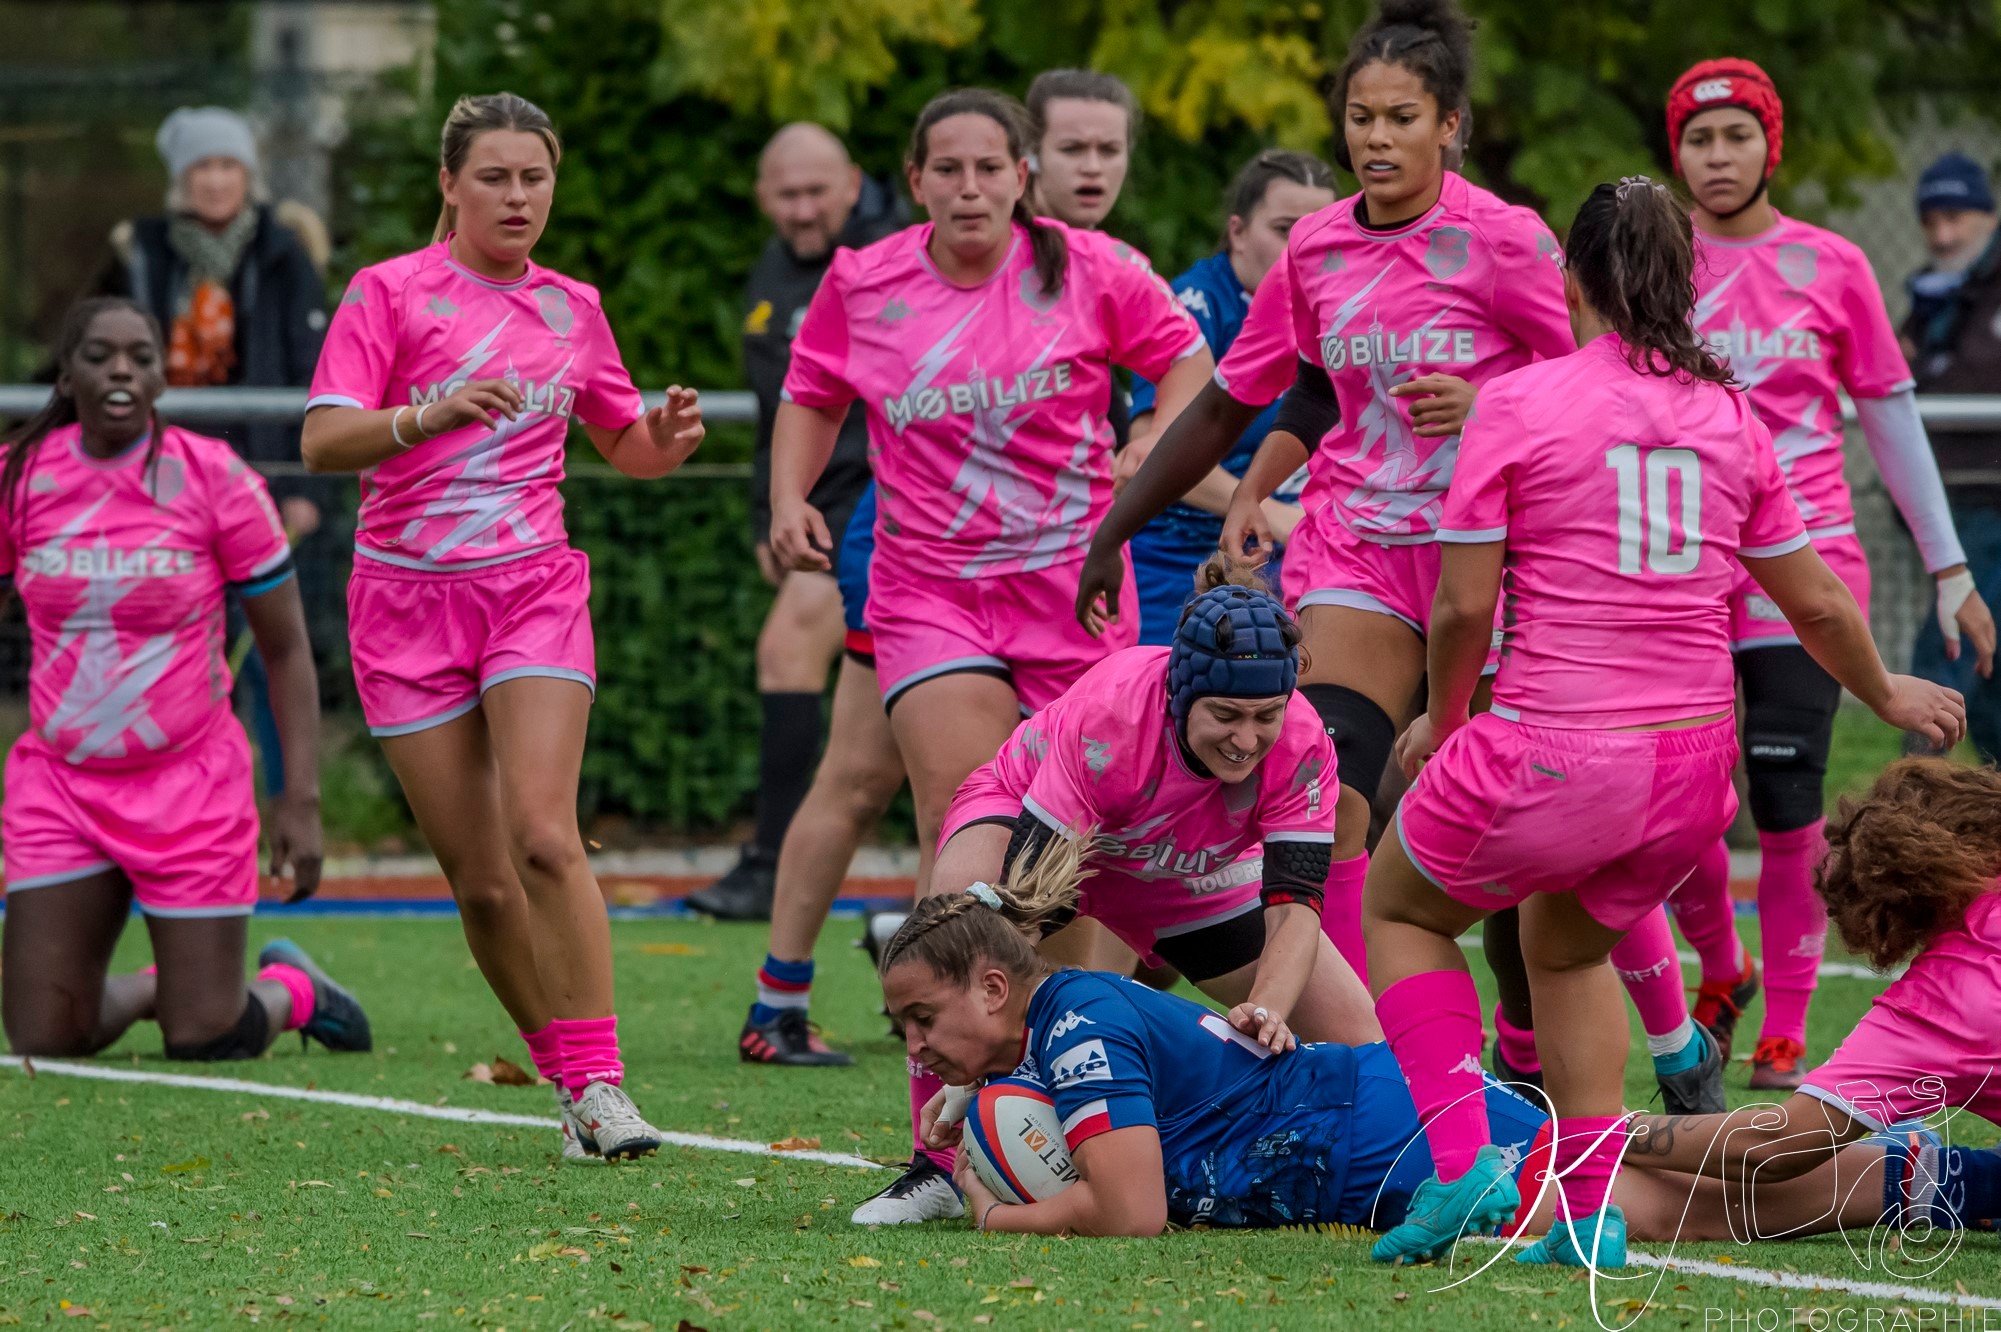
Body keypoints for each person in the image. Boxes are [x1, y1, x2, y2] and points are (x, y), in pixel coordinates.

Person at [1360, 177, 1965, 1270]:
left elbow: (1460, 606)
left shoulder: (1522, 400)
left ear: (1573, 279)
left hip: (1553, 743)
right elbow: (1818, 597)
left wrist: (1447, 725)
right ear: (1690, 282)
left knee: (1393, 908)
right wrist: (1888, 695)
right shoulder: (1731, 413)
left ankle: (1461, 1171)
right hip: (1691, 771)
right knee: (1564, 943)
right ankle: (1588, 1215)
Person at [766, 86, 1213, 1220]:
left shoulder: (1095, 269)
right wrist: (788, 496)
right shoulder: (866, 282)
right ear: (914, 182)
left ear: (1023, 176)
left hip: (1078, 591)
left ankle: (1101, 1102)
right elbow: (811, 390)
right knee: (969, 841)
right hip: (932, 596)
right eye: (947, 169)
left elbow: (1190, 365)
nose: (970, 188)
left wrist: (1153, 443)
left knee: (1100, 847)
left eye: (989, 168)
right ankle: (934, 1148)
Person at [1076, 0, 1574, 987]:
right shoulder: (1316, 249)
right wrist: (1116, 530)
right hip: (1361, 546)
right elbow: (1246, 401)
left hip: (1501, 556)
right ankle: (1355, 1054)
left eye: (1400, 116)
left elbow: (1595, 394)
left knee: (1506, 829)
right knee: (1327, 788)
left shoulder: (1506, 242)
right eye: (1359, 116)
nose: (1376, 138)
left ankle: (1528, 1044)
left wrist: (1486, 404)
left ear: (1450, 126)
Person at [878, 847, 1976, 1244]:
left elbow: (1130, 1212)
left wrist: (992, 1202)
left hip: (1400, 1146)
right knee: (1693, 1190)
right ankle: (1964, 1185)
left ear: (991, 982)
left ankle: (1970, 1187)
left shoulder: (1079, 1027)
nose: (921, 1046)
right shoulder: (1065, 1015)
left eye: (924, 1022)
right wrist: (975, 1100)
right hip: (1391, 1129)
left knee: (1724, 1203)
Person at [301, 93, 706, 1162]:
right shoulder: (387, 293)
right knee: (481, 880)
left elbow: (627, 446)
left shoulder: (574, 306)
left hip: (532, 592)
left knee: (542, 833)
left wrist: (665, 437)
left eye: (535, 177)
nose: (518, 195)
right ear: (449, 183)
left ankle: (605, 1084)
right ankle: (571, 1086)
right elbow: (323, 440)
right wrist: (420, 417)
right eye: (495, 177)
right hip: (402, 605)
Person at [1663, 59, 1996, 1092]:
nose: (1718, 159)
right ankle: (1724, 969)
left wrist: (1950, 568)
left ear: (1773, 144)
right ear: (1674, 152)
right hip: (1681, 569)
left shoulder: (1831, 262)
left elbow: (1892, 421)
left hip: (1804, 571)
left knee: (1784, 793)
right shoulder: (1655, 262)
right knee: (1676, 803)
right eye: (1698, 140)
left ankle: (1786, 1032)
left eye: (1737, 137)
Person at [874, 575, 1380, 1225]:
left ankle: (1358, 1176)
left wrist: (1267, 1010)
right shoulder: (1110, 719)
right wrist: (963, 1074)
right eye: (1225, 715)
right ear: (1179, 695)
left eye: (1265, 716)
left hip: (1184, 869)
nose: (1247, 739)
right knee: (959, 946)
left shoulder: (1304, 742)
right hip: (1055, 846)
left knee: (1359, 1040)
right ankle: (937, 1165)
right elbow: (1026, 909)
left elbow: (1293, 904)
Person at [0, 297, 364, 1064]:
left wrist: (297, 798)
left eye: (142, 354)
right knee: (44, 1037)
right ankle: (156, 984)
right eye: (100, 355)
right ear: (67, 375)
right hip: (61, 788)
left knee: (205, 1035)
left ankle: (292, 992)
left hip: (188, 786)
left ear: (164, 375)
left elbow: (287, 649)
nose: (123, 370)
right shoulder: (20, 480)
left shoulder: (215, 479)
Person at [1623, 759, 2001, 1243]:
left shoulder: (1945, 1000)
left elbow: (1779, 1143)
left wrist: (1613, 1129)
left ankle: (1959, 1179)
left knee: (1705, 1204)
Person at [691, 124, 904, 923]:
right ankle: (785, 878)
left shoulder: (891, 261)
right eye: (787, 194)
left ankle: (770, 867)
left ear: (853, 182)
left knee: (791, 660)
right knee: (873, 752)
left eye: (818, 191)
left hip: (884, 509)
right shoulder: (773, 272)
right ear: (761, 197)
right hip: (817, 514)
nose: (804, 209)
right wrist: (768, 512)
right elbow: (772, 412)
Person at [94, 106, 331, 801]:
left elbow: (312, 370)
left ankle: (290, 809)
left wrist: (306, 490)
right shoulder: (140, 253)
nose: (216, 181)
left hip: (263, 479)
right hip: (158, 480)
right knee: (166, 651)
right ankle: (170, 806)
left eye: (228, 166)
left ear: (246, 174)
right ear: (181, 179)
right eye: (202, 168)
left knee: (267, 656)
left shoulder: (284, 252)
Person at [1126, 151, 1337, 644]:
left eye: (1317, 231)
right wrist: (1276, 513)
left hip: (1298, 545)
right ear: (1238, 232)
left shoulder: (1343, 303)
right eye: (1284, 229)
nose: (1302, 247)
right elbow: (1149, 451)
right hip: (1183, 552)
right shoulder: (1193, 307)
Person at [1902, 153, 2001, 765]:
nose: (1944, 236)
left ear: (1989, 217)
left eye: (1957, 218)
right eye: (1931, 221)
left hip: (1990, 505)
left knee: (1947, 654)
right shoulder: (1934, 296)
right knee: (1985, 676)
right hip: (1943, 504)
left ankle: (1905, 804)